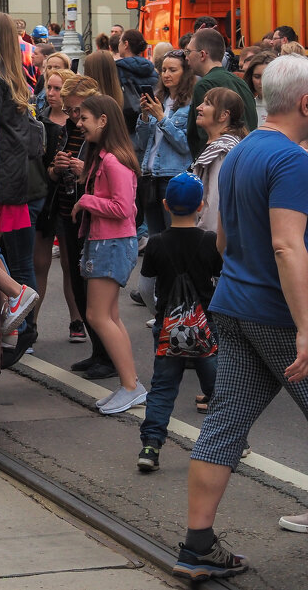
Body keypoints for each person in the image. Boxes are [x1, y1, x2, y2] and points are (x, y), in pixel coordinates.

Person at [172, 54, 308, 581]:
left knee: (225, 424)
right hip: (277, 313)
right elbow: (287, 245)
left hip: (232, 305)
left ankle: (197, 545)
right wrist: (304, 327)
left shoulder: (242, 150)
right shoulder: (293, 161)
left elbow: (224, 238)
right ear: (304, 102)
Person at [135, 172, 220, 471]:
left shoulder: (157, 243)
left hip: (167, 329)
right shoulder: (210, 241)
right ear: (202, 206)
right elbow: (221, 281)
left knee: (162, 388)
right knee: (216, 389)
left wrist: (159, 315)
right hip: (205, 328)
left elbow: (146, 287)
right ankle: (231, 443)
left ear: (165, 205)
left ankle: (150, 446)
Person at [71, 94, 146, 414]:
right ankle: (130, 384)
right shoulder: (108, 157)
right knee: (108, 316)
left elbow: (124, 208)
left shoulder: (113, 160)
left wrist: (86, 201)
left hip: (111, 242)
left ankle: (131, 386)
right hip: (108, 242)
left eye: (85, 118)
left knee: (98, 316)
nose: (79, 123)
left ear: (103, 121)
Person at [0, 13, 44, 366]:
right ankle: (22, 327)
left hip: (0, 183)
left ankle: (21, 322)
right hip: (17, 182)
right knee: (20, 258)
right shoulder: (16, 79)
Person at [58, 75, 112, 374]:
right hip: (69, 212)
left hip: (92, 221)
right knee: (79, 286)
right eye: (69, 111)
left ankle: (108, 357)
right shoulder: (70, 130)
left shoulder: (105, 135)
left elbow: (118, 179)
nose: (74, 118)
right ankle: (98, 352)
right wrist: (57, 167)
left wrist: (84, 170)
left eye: (78, 111)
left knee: (96, 295)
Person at [33, 68, 85, 339]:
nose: (51, 94)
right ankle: (32, 324)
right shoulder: (40, 121)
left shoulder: (78, 125)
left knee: (69, 264)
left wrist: (72, 168)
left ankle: (77, 320)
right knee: (39, 264)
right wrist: (55, 169)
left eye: (57, 89)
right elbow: (44, 168)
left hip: (69, 202)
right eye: (49, 88)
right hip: (47, 202)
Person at [134, 49, 194, 236]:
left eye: (173, 70)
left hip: (173, 176)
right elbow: (143, 143)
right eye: (164, 70)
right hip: (151, 175)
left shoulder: (190, 104)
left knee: (174, 236)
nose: (166, 75)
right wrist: (144, 116)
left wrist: (161, 117)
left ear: (185, 73)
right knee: (156, 237)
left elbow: (185, 145)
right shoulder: (160, 98)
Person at [185, 28, 258, 159]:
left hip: (217, 161)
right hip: (246, 158)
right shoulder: (240, 82)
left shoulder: (204, 85)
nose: (186, 57)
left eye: (188, 51)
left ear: (202, 55)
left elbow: (203, 136)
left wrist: (202, 167)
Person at [192, 87, 248, 234]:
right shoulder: (224, 144)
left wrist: (205, 238)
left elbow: (215, 199)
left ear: (224, 115)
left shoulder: (222, 150)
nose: (199, 107)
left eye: (207, 103)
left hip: (212, 237)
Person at [243, 50, 276, 127]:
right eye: (257, 77)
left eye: (267, 76)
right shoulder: (246, 107)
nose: (261, 82)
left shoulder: (290, 107)